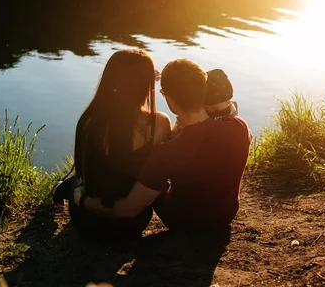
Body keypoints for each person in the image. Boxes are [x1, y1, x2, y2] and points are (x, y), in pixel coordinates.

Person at [73, 59, 251, 232]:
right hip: (225, 216)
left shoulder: (167, 152)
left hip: (184, 222)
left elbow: (126, 210)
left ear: (169, 98)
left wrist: (83, 200)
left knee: (150, 185)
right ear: (202, 90)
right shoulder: (240, 126)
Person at [53, 49, 171, 239]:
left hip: (85, 222)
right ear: (146, 84)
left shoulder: (89, 120)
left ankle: (63, 188)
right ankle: (65, 187)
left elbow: (84, 170)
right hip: (131, 225)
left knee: (78, 179)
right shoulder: (160, 123)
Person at [171, 68, 238, 135]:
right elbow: (175, 134)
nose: (212, 113)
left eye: (216, 110)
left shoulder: (233, 116)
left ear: (229, 102)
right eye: (207, 110)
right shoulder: (189, 117)